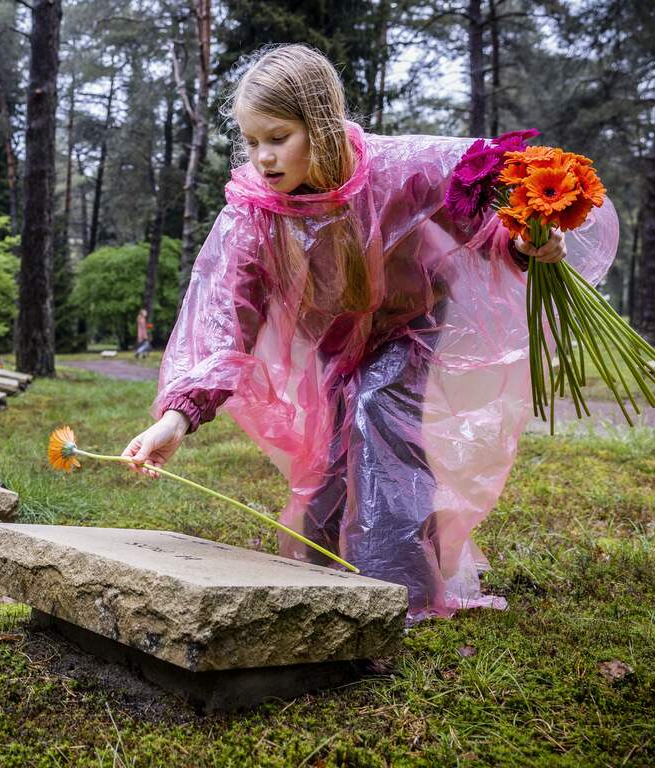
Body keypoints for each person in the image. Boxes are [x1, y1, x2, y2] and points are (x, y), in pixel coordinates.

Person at [120, 45, 617, 621]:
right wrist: (178, 415)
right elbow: (223, 315)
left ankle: (393, 600)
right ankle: (324, 575)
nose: (263, 157)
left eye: (278, 137)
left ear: (322, 126)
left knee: (378, 416)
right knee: (330, 455)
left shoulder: (398, 170)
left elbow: (480, 216)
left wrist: (527, 240)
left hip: (410, 326)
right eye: (251, 141)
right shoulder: (254, 212)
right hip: (333, 347)